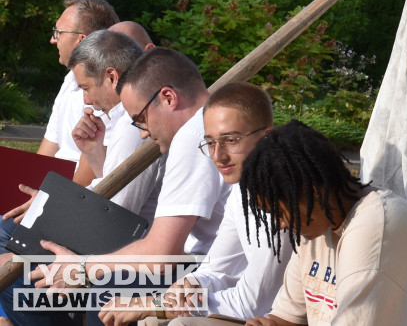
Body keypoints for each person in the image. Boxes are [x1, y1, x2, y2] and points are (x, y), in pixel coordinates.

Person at [6, 49, 230, 326]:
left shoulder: (193, 137)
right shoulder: (214, 125)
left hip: (205, 278)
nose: (143, 133)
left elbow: (161, 253)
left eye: (141, 119)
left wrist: (83, 267)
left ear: (168, 98)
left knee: (32, 280)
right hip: (197, 270)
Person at [96, 82, 290, 326]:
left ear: (266, 137)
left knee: (177, 322)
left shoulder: (282, 198)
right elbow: (217, 269)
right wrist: (191, 286)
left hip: (277, 317)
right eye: (209, 143)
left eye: (230, 140)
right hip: (237, 299)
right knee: (147, 318)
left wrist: (159, 304)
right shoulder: (242, 189)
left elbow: (251, 304)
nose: (218, 156)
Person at [239, 121, 407, 326]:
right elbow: (288, 318)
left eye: (280, 212)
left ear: (314, 194)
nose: (280, 225)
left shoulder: (379, 232)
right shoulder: (315, 230)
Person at [68, 30, 164, 220]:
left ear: (112, 77)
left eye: (86, 88)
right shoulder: (136, 117)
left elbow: (113, 215)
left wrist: (51, 202)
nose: (86, 100)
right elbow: (114, 192)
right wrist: (94, 151)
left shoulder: (133, 124)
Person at [39, 0, 120, 165]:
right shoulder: (69, 80)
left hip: (76, 189)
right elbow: (45, 155)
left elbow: (92, 173)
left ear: (81, 41)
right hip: (55, 185)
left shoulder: (105, 90)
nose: (53, 40)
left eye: (58, 33)